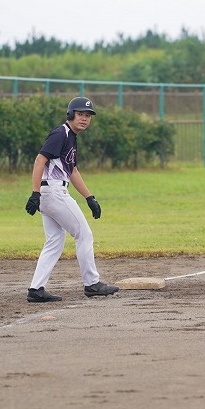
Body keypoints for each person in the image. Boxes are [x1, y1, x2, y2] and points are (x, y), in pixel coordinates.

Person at [23, 96, 119, 302]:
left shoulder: (71, 137)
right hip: (53, 192)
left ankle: (36, 289)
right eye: (80, 114)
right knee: (83, 234)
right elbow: (40, 160)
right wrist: (35, 192)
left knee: (54, 240)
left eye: (88, 116)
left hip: (51, 193)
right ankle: (92, 283)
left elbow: (72, 170)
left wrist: (89, 197)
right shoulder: (61, 134)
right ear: (70, 114)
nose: (84, 118)